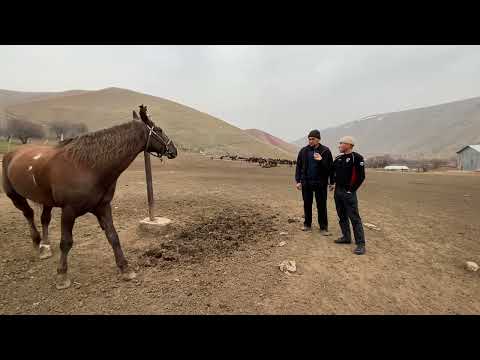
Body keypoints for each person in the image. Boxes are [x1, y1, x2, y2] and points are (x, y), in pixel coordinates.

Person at [329, 136, 366, 255]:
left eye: (341, 143)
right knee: (342, 215)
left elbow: (361, 176)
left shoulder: (357, 158)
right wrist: (332, 183)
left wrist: (351, 190)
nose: (339, 145)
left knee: (354, 218)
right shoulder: (339, 158)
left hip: (348, 192)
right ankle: (346, 237)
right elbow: (331, 170)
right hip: (338, 191)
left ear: (349, 145)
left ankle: (360, 244)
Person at [295, 129, 333, 235]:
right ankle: (307, 224)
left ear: (318, 139)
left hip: (320, 183)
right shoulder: (304, 151)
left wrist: (321, 160)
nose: (310, 141)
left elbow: (329, 168)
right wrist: (298, 181)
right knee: (307, 204)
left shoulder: (325, 151)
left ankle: (323, 227)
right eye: (309, 139)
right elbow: (299, 166)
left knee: (321, 205)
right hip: (306, 182)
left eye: (313, 139)